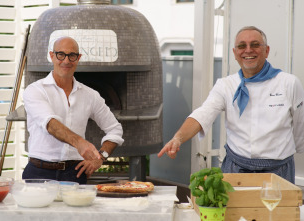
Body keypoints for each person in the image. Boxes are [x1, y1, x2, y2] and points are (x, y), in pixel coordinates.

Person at [158, 26, 304, 183]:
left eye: (255, 45)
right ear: (235, 53)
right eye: (242, 46)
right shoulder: (225, 85)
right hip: (236, 169)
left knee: (276, 208)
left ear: (267, 51)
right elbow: (204, 113)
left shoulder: (289, 83)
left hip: (278, 172)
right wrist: (178, 138)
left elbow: (300, 126)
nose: (248, 50)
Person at [22, 36, 124, 184]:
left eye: (72, 55)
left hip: (75, 173)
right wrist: (80, 143)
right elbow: (51, 125)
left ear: (78, 58)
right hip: (39, 173)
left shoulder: (90, 95)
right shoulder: (35, 90)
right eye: (61, 54)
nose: (66, 61)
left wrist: (100, 157)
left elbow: (115, 129)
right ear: (52, 56)